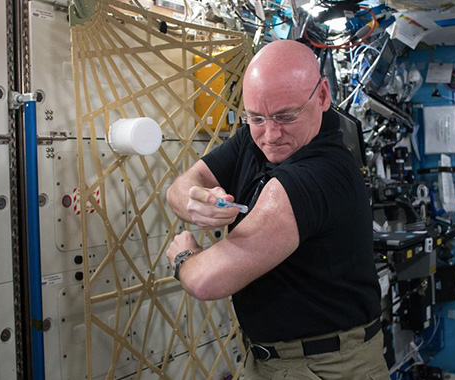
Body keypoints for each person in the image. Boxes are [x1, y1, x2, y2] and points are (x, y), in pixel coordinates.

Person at [166, 40, 389, 380]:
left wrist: (185, 257)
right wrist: (195, 202)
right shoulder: (257, 139)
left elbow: (206, 279)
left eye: (286, 116)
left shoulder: (317, 175)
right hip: (272, 360)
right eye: (256, 117)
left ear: (323, 96)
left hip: (328, 367)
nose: (270, 135)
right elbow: (185, 182)